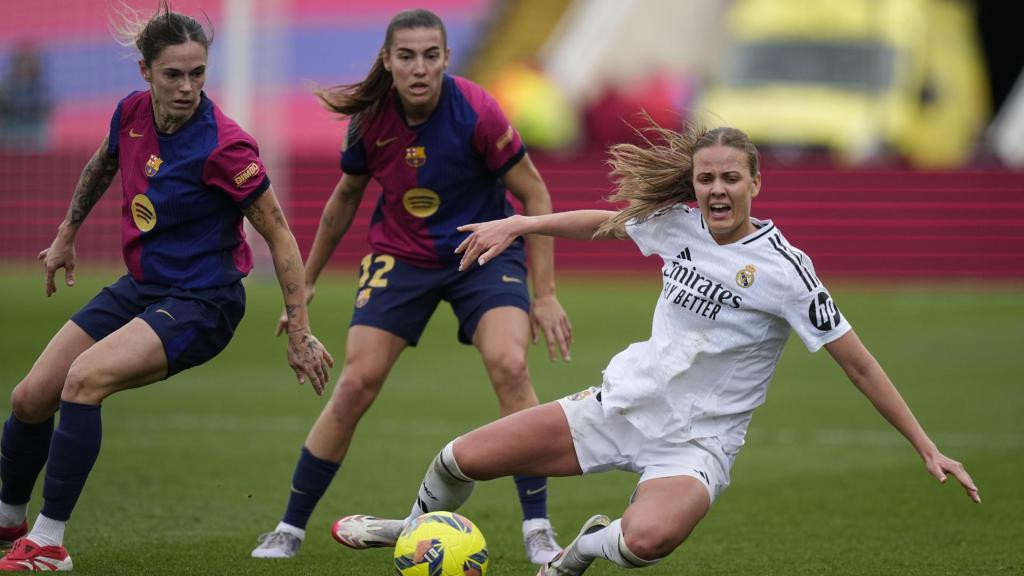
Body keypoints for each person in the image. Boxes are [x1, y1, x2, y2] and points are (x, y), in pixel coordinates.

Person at [333, 119, 981, 576]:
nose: (718, 190)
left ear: (755, 182)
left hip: (696, 443)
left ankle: (581, 551)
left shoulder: (788, 272)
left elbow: (858, 363)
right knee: (458, 458)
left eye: (731, 177)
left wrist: (926, 446)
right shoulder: (680, 224)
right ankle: (411, 531)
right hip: (621, 405)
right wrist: (523, 222)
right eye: (706, 179)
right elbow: (606, 223)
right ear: (694, 184)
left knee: (648, 541)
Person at [0, 4, 333, 571]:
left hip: (204, 302)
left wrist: (299, 330)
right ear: (144, 72)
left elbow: (278, 235)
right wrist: (66, 234)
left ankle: (49, 544)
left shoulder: (226, 146)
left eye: (198, 73)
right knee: (30, 397)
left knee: (83, 382)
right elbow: (103, 163)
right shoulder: (131, 112)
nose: (187, 87)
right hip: (144, 287)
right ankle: (8, 522)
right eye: (173, 74)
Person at [249, 8, 572, 565]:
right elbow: (343, 201)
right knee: (355, 384)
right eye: (406, 56)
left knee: (511, 366)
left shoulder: (477, 110)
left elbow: (535, 196)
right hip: (401, 257)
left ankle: (538, 527)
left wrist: (543, 295)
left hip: (482, 251)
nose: (419, 68)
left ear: (446, 59)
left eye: (430, 55)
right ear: (388, 62)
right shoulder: (371, 120)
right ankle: (288, 527)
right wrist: (307, 286)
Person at [0, 42, 53, 151]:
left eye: (29, 62)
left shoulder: (41, 88)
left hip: (34, 132)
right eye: (23, 62)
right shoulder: (6, 86)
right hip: (10, 132)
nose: (26, 65)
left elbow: (46, 109)